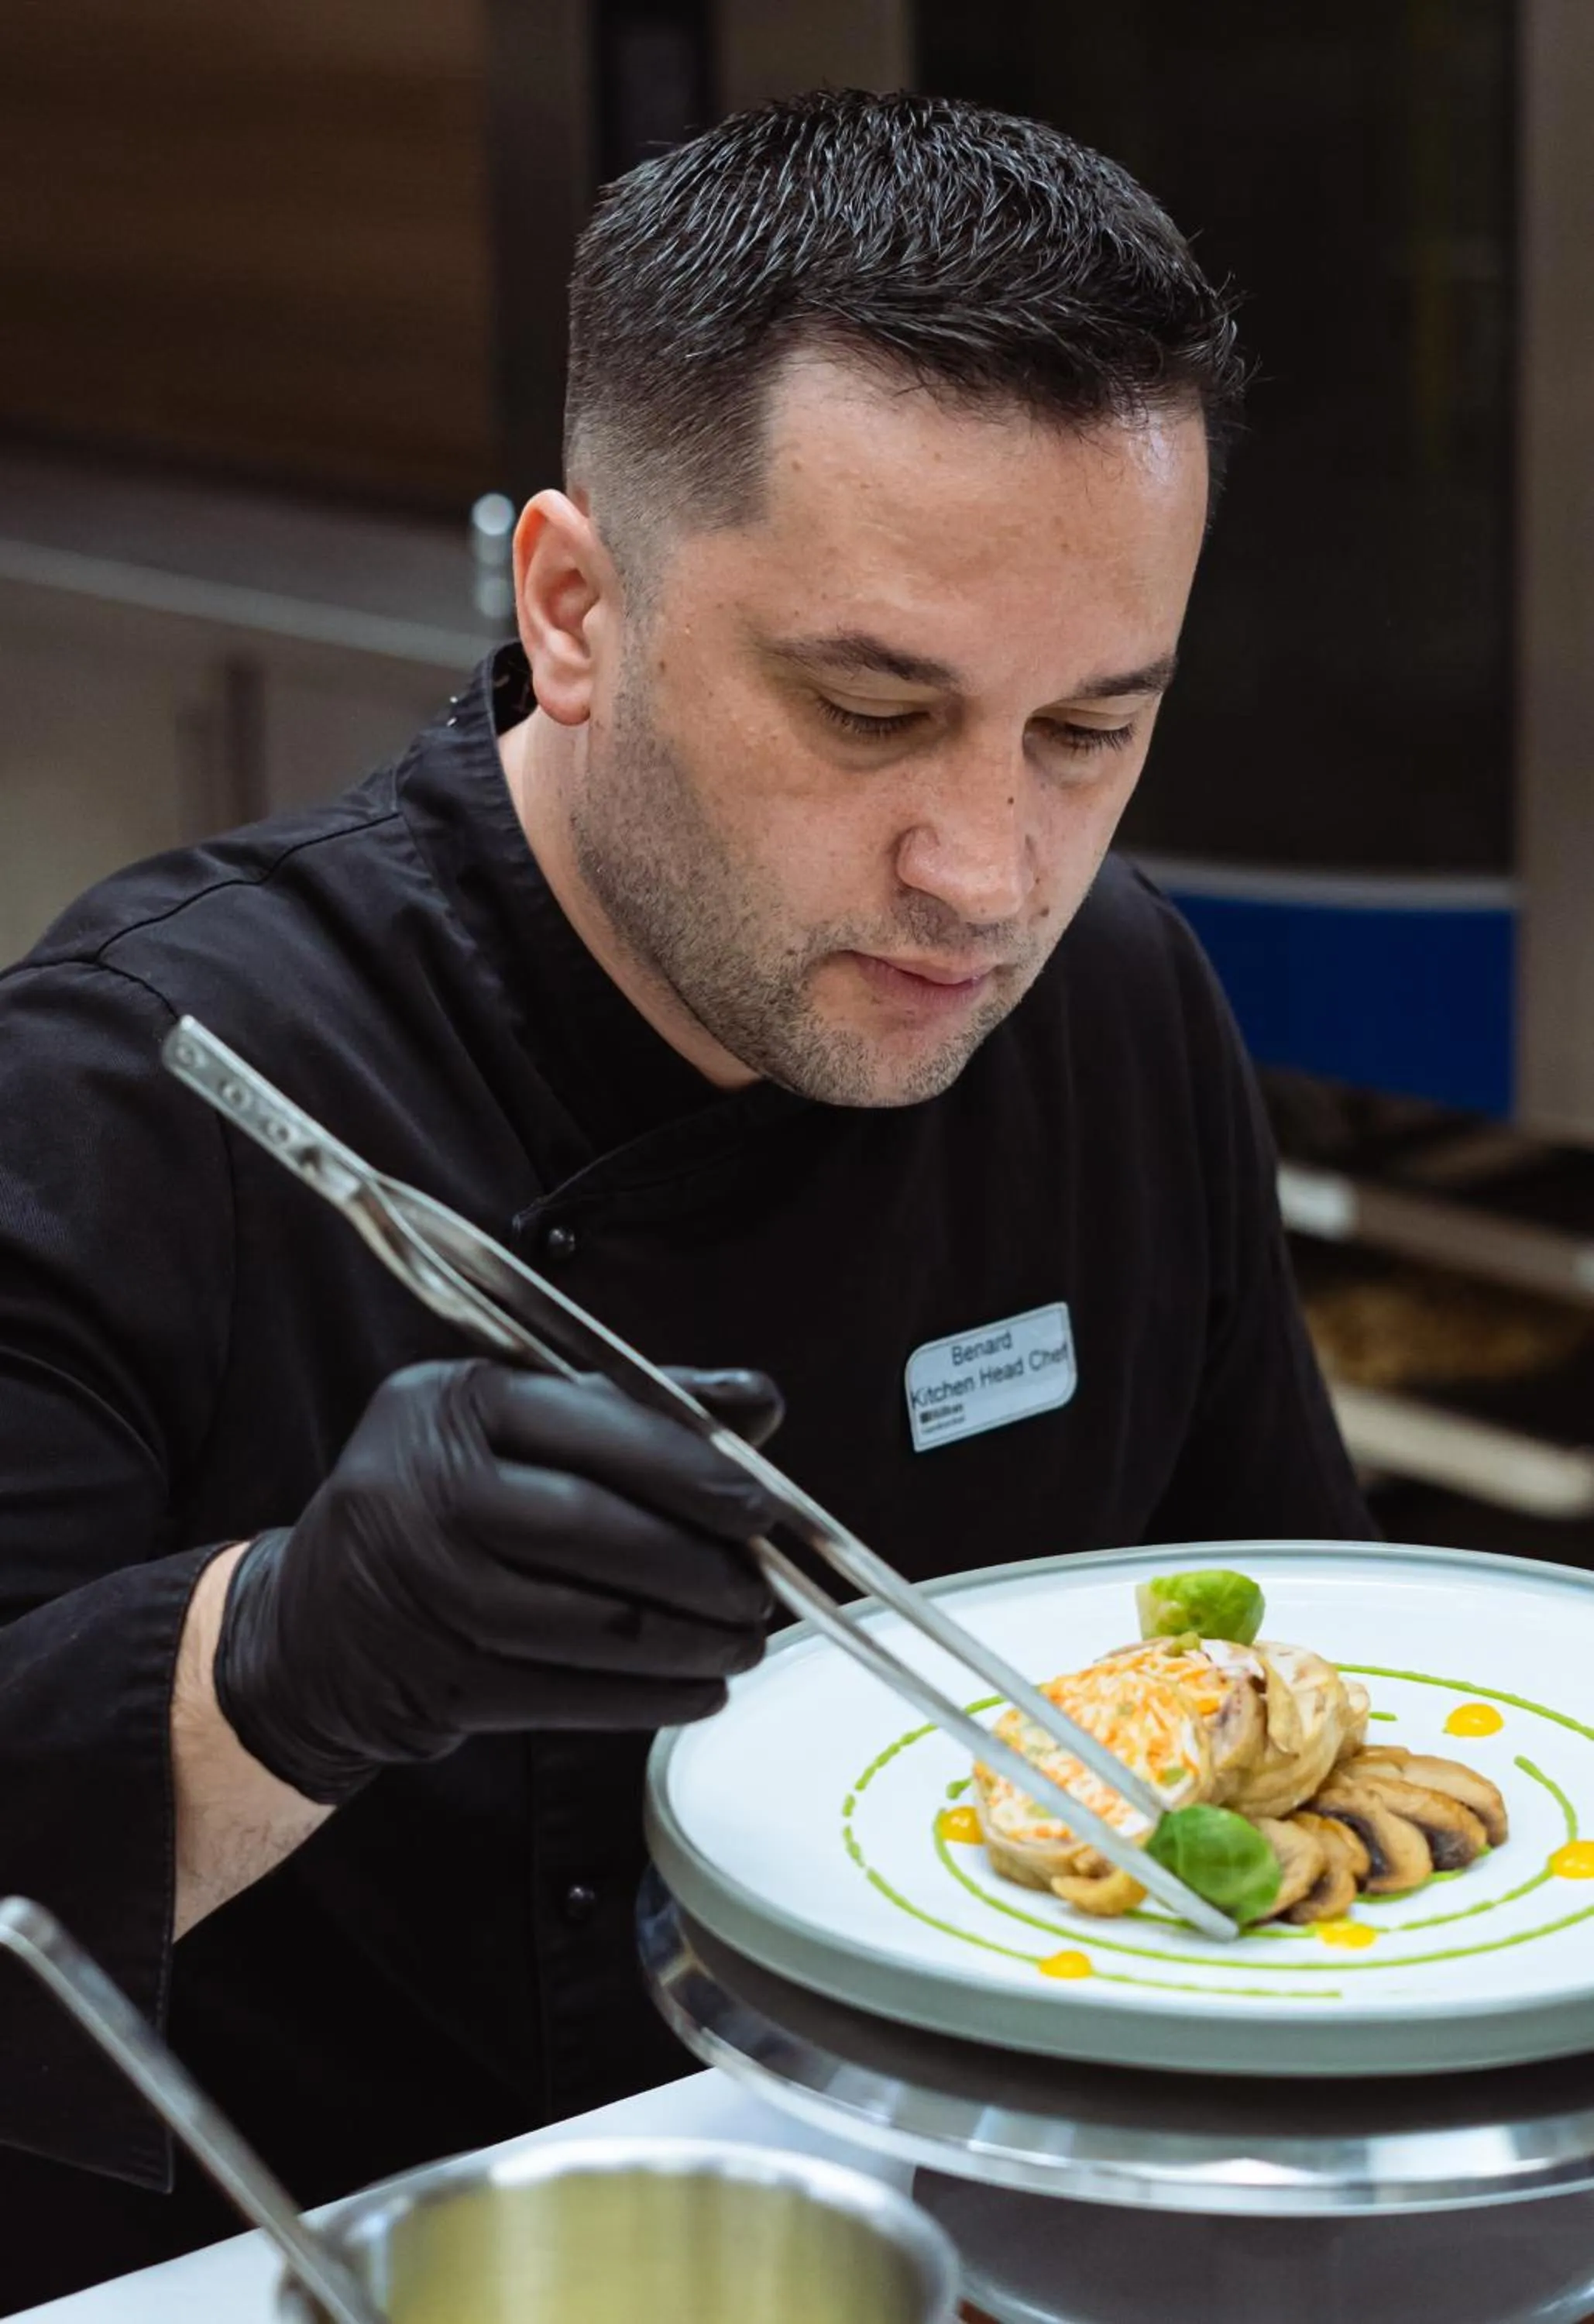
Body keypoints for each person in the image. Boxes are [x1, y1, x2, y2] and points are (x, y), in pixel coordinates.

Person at [0, 88, 1369, 2308]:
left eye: (1090, 731)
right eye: (866, 708)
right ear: (571, 604)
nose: (986, 873)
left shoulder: (1112, 1006)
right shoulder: (141, 1086)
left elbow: (1288, 1644)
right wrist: (288, 1654)